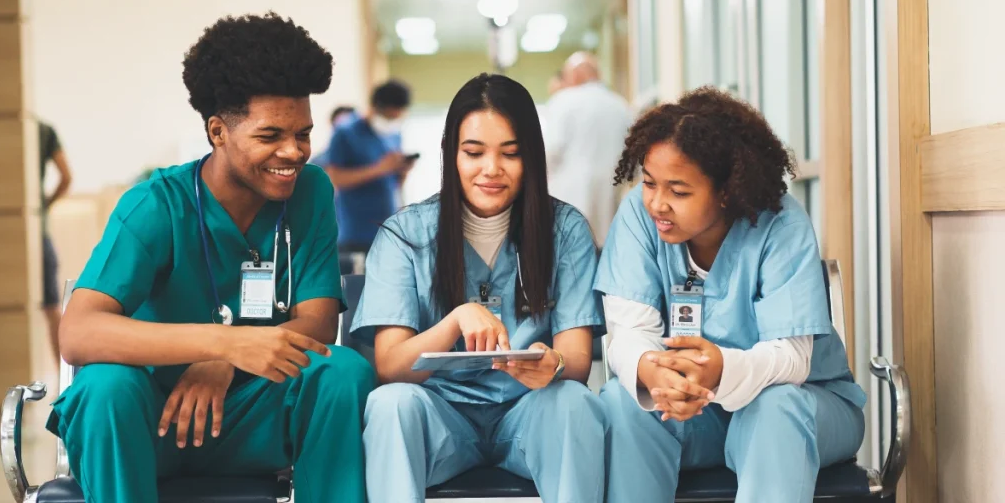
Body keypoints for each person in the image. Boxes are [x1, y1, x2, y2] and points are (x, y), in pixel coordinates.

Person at [47, 12, 374, 503]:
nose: (294, 152)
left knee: (342, 371)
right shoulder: (156, 205)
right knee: (103, 389)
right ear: (218, 132)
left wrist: (229, 363)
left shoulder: (310, 192)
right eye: (270, 136)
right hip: (152, 420)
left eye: (303, 134)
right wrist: (221, 345)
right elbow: (78, 333)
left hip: (250, 417)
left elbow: (320, 322)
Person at [596, 87, 866, 503]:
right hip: (691, 412)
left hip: (803, 404)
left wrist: (719, 370)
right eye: (650, 183)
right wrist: (653, 372)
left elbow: (792, 358)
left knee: (775, 408)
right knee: (624, 399)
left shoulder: (779, 224)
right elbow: (628, 330)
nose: (657, 204)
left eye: (679, 191)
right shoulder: (639, 214)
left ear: (726, 190)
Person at [351, 73, 607, 503]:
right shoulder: (406, 234)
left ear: (533, 158)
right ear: (451, 154)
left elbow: (578, 361)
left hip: (531, 412)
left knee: (574, 403)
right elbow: (390, 366)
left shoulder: (565, 230)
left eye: (511, 153)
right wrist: (454, 321)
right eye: (473, 153)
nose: (492, 169)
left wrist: (554, 364)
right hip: (440, 419)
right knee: (391, 404)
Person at [314, 80, 416, 252]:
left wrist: (402, 171)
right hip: (356, 233)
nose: (392, 120)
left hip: (388, 229)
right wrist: (379, 169)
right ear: (377, 107)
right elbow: (334, 178)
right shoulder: (346, 132)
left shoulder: (393, 134)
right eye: (389, 116)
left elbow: (393, 183)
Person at [543, 51, 632, 247]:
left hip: (566, 209)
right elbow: (633, 163)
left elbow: (549, 153)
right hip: (608, 213)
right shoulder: (621, 106)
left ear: (575, 75)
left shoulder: (563, 101)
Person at [37, 121, 72, 364]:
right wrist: (43, 205)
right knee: (51, 308)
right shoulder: (42, 130)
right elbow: (66, 177)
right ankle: (64, 382)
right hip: (37, 230)